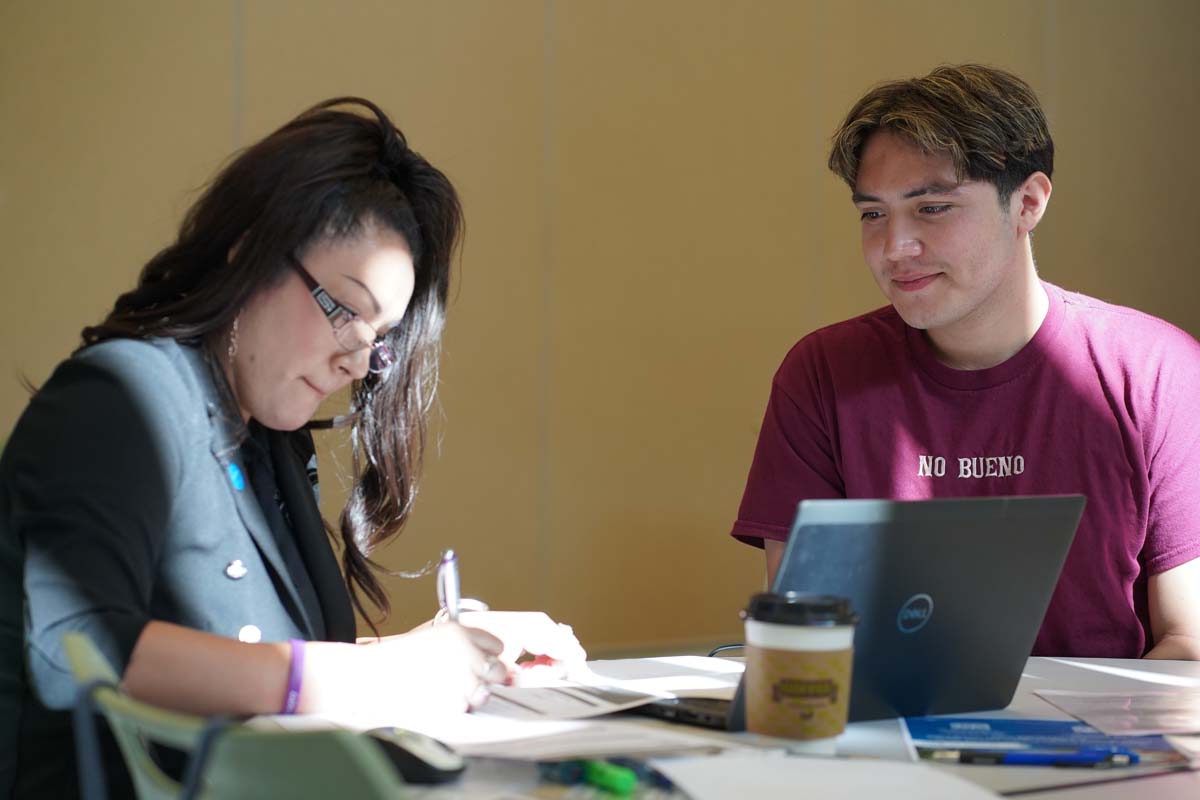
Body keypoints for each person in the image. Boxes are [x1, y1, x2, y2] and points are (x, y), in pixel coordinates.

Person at [0, 97, 585, 798]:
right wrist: (377, 675)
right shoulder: (122, 396)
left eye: (380, 338)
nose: (357, 360)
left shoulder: (269, 440)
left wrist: (449, 655)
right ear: (247, 250)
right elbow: (79, 651)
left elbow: (260, 662)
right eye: (343, 309)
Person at [729, 64, 1200, 661]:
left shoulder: (1159, 371)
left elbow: (1189, 642)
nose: (894, 247)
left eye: (932, 208)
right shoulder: (822, 373)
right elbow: (806, 638)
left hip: (1108, 743)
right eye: (873, 214)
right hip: (893, 739)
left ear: (1027, 202)